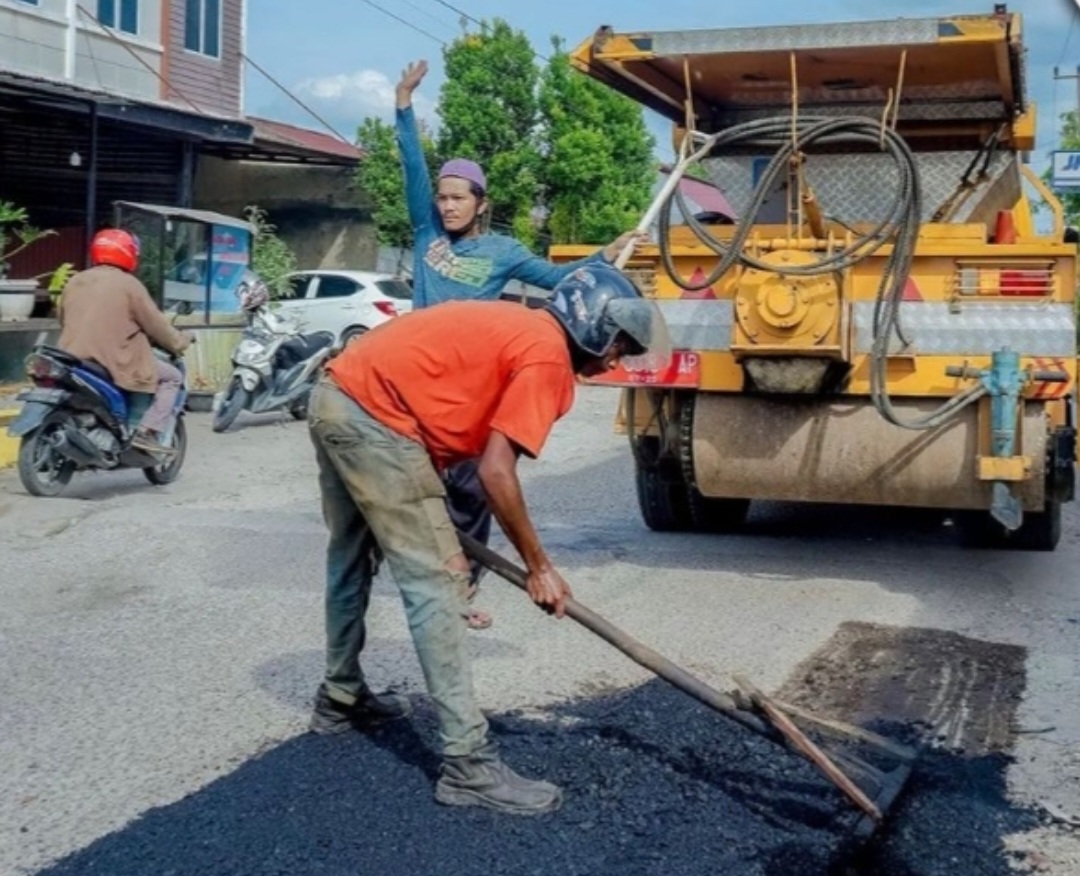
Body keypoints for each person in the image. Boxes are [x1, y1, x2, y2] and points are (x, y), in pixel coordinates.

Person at [307, 264, 670, 814]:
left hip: (337, 395)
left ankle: (339, 697)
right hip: (376, 419)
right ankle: (468, 766)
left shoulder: (521, 327)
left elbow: (453, 418)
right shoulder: (547, 357)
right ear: (591, 323)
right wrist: (538, 566)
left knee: (351, 557)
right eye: (618, 343)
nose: (616, 360)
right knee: (437, 581)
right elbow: (496, 474)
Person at [396, 58, 648, 630]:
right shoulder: (425, 235)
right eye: (442, 197)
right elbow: (411, 167)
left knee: (471, 488)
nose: (447, 205)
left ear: (481, 202)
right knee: (411, 485)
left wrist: (603, 257)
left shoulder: (503, 253)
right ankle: (423, 572)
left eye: (459, 198)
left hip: (467, 383)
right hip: (416, 373)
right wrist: (404, 104)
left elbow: (564, 285)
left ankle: (458, 589)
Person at [58, 229, 193, 454]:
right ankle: (146, 432)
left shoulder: (76, 280)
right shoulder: (129, 285)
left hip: (72, 357)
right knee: (172, 377)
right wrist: (180, 341)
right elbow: (156, 325)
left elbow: (62, 317)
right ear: (129, 253)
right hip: (113, 359)